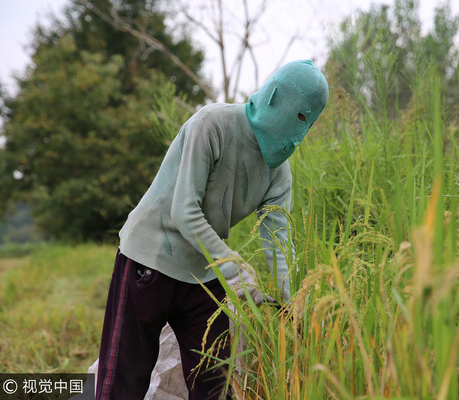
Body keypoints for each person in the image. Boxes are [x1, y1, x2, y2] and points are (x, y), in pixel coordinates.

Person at [95, 59, 329, 400]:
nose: (299, 135)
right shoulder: (212, 124)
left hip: (202, 272)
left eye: (309, 124)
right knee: (123, 383)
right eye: (299, 118)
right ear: (273, 97)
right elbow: (184, 211)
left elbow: (279, 243)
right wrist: (234, 266)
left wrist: (289, 303)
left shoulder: (279, 174)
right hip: (149, 259)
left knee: (215, 385)